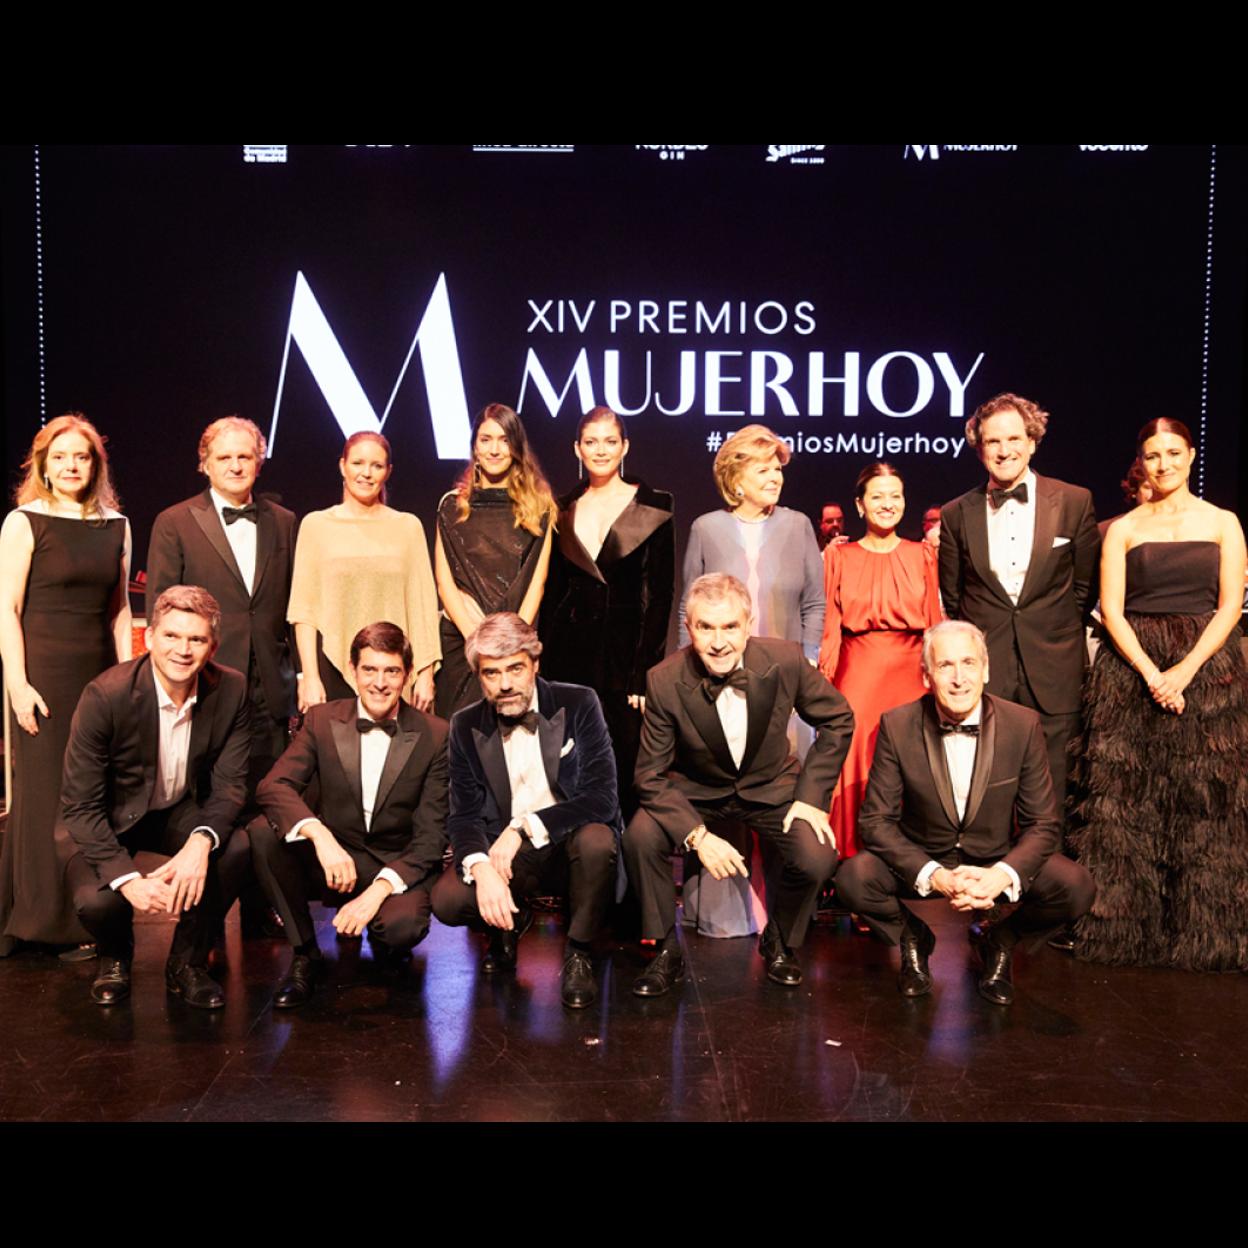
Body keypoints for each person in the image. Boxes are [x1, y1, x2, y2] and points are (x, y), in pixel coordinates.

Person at [838, 621, 1095, 1005]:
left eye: (969, 663)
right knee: (853, 878)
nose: (959, 679)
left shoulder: (1021, 724)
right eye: (945, 666)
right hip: (925, 857)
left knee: (1076, 886)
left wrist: (1001, 875)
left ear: (985, 670)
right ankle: (913, 937)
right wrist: (934, 874)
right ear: (926, 676)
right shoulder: (898, 724)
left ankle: (1000, 941)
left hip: (994, 858)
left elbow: (1043, 824)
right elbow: (876, 821)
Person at [1069, 419, 1248, 971]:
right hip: (1131, 672)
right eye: (1152, 455)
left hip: (1209, 672)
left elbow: (1230, 606)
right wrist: (1152, 674)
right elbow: (1112, 611)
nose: (1163, 464)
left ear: (1190, 455)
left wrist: (1186, 670)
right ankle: (1127, 936)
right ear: (1141, 462)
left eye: (1173, 452)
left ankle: (1207, 939)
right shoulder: (1123, 528)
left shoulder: (1223, 522)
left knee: (1205, 803)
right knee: (1130, 806)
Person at [623, 574, 854, 996]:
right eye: (705, 627)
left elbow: (838, 719)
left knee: (818, 855)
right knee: (640, 837)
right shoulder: (664, 679)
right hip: (697, 792)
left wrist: (812, 797)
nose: (718, 642)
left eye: (729, 626)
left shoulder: (784, 659)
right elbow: (649, 775)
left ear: (748, 625)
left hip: (770, 787)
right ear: (688, 628)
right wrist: (697, 836)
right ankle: (665, 949)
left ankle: (779, 939)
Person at [61, 586, 252, 1009]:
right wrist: (128, 880)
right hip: (109, 817)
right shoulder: (106, 695)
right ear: (149, 638)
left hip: (177, 809)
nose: (183, 650)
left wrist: (200, 842)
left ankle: (187, 963)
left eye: (196, 639)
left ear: (212, 647)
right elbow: (80, 806)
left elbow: (231, 785)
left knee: (235, 847)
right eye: (171, 636)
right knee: (97, 901)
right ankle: (115, 956)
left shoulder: (231, 689)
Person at [146, 415, 296, 937]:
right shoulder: (175, 521)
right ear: (204, 463)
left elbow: (289, 607)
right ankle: (204, 921)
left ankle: (259, 908)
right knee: (210, 802)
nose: (235, 465)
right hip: (205, 683)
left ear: (259, 461)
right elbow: (163, 609)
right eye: (224, 457)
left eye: (244, 456)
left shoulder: (284, 522)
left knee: (263, 799)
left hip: (270, 683)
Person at [251, 622, 449, 1007]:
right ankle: (305, 953)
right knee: (261, 832)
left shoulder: (436, 734)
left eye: (391, 671)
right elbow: (273, 786)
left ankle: (384, 938)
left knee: (401, 929)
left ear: (408, 674)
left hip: (393, 862)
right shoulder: (322, 719)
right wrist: (319, 835)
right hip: (333, 859)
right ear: (352, 670)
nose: (380, 683)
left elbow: (430, 838)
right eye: (369, 669)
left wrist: (377, 892)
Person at [678, 424, 825, 935]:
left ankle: (787, 917)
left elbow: (814, 603)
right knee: (725, 795)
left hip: (784, 685)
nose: (775, 477)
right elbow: (688, 609)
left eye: (778, 468)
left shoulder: (799, 525)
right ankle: (725, 915)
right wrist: (688, 679)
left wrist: (806, 661)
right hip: (718, 682)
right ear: (735, 478)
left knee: (782, 797)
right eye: (763, 469)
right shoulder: (706, 528)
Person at [431, 613, 620, 1009]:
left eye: (515, 668)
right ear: (479, 676)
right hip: (509, 859)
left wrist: (522, 827)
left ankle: (579, 952)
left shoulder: (579, 702)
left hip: (568, 844)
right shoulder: (465, 724)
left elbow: (602, 798)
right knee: (449, 899)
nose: (505, 684)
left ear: (535, 663)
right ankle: (506, 928)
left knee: (598, 840)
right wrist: (482, 869)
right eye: (492, 673)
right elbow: (463, 816)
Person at [0, 413, 131, 959]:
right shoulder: (24, 522)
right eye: (60, 456)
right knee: (44, 794)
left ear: (95, 465)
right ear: (43, 465)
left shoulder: (117, 524)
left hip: (99, 677)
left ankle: (85, 914)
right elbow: (7, 610)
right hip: (44, 679)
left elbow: (120, 611)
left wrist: (130, 681)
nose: (71, 465)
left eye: (81, 456)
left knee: (90, 793)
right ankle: (37, 919)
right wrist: (18, 685)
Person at [939, 392, 1099, 818]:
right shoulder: (956, 513)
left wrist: (1050, 630)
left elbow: (1084, 590)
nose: (1004, 450)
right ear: (979, 448)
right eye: (993, 441)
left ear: (1032, 441)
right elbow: (954, 599)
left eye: (1013, 439)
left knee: (1057, 787)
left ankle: (1049, 862)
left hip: (1055, 666)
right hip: (989, 671)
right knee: (988, 786)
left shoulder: (1073, 501)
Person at [541, 406, 674, 818]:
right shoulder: (561, 508)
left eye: (610, 441)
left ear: (625, 446)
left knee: (626, 765)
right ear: (577, 448)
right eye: (591, 442)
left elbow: (659, 597)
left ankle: (625, 855)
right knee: (572, 763)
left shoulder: (655, 506)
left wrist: (643, 672)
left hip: (625, 660)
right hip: (569, 656)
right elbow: (552, 592)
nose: (601, 450)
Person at [819, 462, 942, 859]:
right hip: (857, 675)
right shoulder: (839, 556)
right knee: (854, 762)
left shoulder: (923, 555)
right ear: (860, 505)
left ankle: (909, 864)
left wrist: (937, 681)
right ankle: (852, 863)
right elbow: (830, 628)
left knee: (912, 762)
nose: (888, 504)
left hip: (912, 675)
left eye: (895, 496)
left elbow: (934, 624)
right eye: (877, 496)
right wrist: (825, 685)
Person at [288, 430, 439, 713]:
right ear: (342, 466)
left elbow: (423, 607)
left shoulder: (408, 526)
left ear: (388, 471)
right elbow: (303, 611)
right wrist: (309, 677)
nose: (366, 473)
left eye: (376, 465)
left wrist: (425, 674)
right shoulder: (316, 525)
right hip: (332, 667)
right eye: (358, 463)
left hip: (394, 670)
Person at [435, 404, 556, 719]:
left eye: (504, 440)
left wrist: (511, 644)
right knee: (458, 731)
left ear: (516, 447)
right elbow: (444, 583)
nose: (494, 449)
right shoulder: (452, 505)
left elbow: (537, 583)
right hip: (461, 641)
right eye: (486, 439)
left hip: (515, 645)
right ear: (474, 446)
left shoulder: (539, 507)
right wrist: (477, 642)